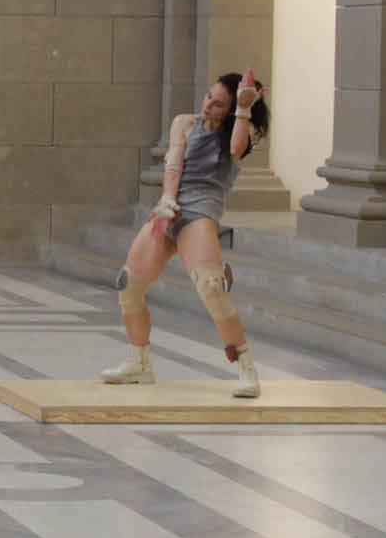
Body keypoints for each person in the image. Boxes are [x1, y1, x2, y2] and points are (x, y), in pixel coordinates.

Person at [105, 69, 268, 397]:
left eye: (218, 104)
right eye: (209, 96)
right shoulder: (184, 122)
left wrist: (243, 108)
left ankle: (247, 369)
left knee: (212, 288)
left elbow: (236, 149)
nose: (208, 105)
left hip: (200, 212)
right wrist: (167, 200)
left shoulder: (242, 128)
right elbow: (174, 164)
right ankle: (138, 363)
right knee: (129, 284)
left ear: (232, 108)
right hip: (171, 209)